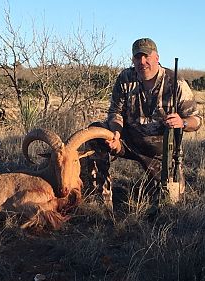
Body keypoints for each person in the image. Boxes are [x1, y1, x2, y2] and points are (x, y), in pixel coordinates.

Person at [86, 37, 202, 214]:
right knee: (95, 133)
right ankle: (100, 201)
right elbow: (115, 113)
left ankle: (153, 186)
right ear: (133, 59)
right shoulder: (125, 78)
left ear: (157, 57)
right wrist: (115, 134)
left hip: (161, 153)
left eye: (146, 56)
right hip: (128, 142)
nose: (142, 62)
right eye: (137, 57)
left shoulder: (176, 82)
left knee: (170, 205)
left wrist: (182, 122)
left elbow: (197, 120)